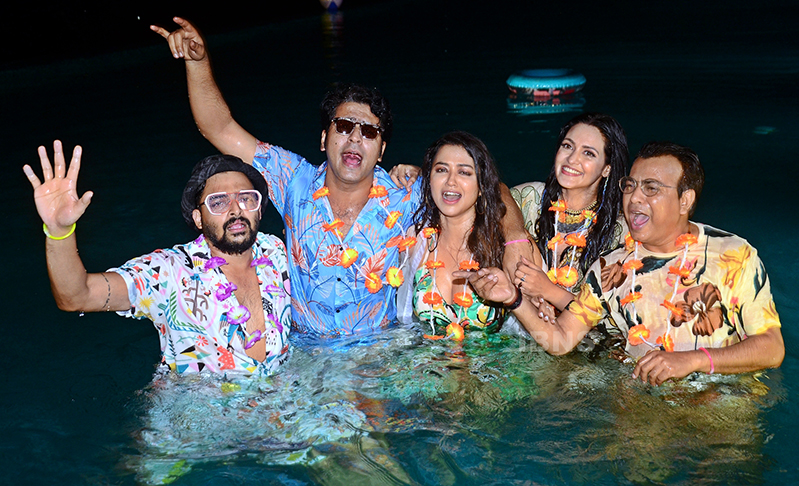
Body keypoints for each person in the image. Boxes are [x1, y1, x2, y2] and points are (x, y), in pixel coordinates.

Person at [152, 17, 531, 337]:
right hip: (305, 353)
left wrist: (515, 242)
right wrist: (198, 63)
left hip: (377, 359)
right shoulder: (292, 180)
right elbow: (218, 127)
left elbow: (490, 188)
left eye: (369, 132)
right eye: (344, 126)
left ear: (381, 150)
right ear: (324, 138)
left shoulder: (407, 194)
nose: (355, 138)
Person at [466, 141, 785, 385]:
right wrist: (513, 298)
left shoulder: (732, 255)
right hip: (640, 410)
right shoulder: (610, 268)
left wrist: (693, 360)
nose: (635, 198)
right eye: (630, 186)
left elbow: (772, 348)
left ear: (685, 200)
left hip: (720, 405)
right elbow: (561, 341)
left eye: (651, 188)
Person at [23, 141, 292, 375]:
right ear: (198, 218)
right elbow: (76, 297)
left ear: (259, 210)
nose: (235, 209)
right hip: (199, 413)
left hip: (279, 405)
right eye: (218, 202)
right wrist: (59, 232)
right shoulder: (169, 271)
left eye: (247, 198)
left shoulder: (278, 253)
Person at [396, 132, 512, 339]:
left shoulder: (506, 245)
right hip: (426, 358)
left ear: (481, 187)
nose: (451, 181)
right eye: (441, 170)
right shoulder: (415, 241)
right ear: (429, 179)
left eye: (464, 172)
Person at [510, 113, 629, 313]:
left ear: (607, 169)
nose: (572, 159)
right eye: (567, 146)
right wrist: (514, 232)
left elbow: (606, 317)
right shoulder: (528, 199)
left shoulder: (619, 232)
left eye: (588, 153)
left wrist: (547, 291)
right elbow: (492, 194)